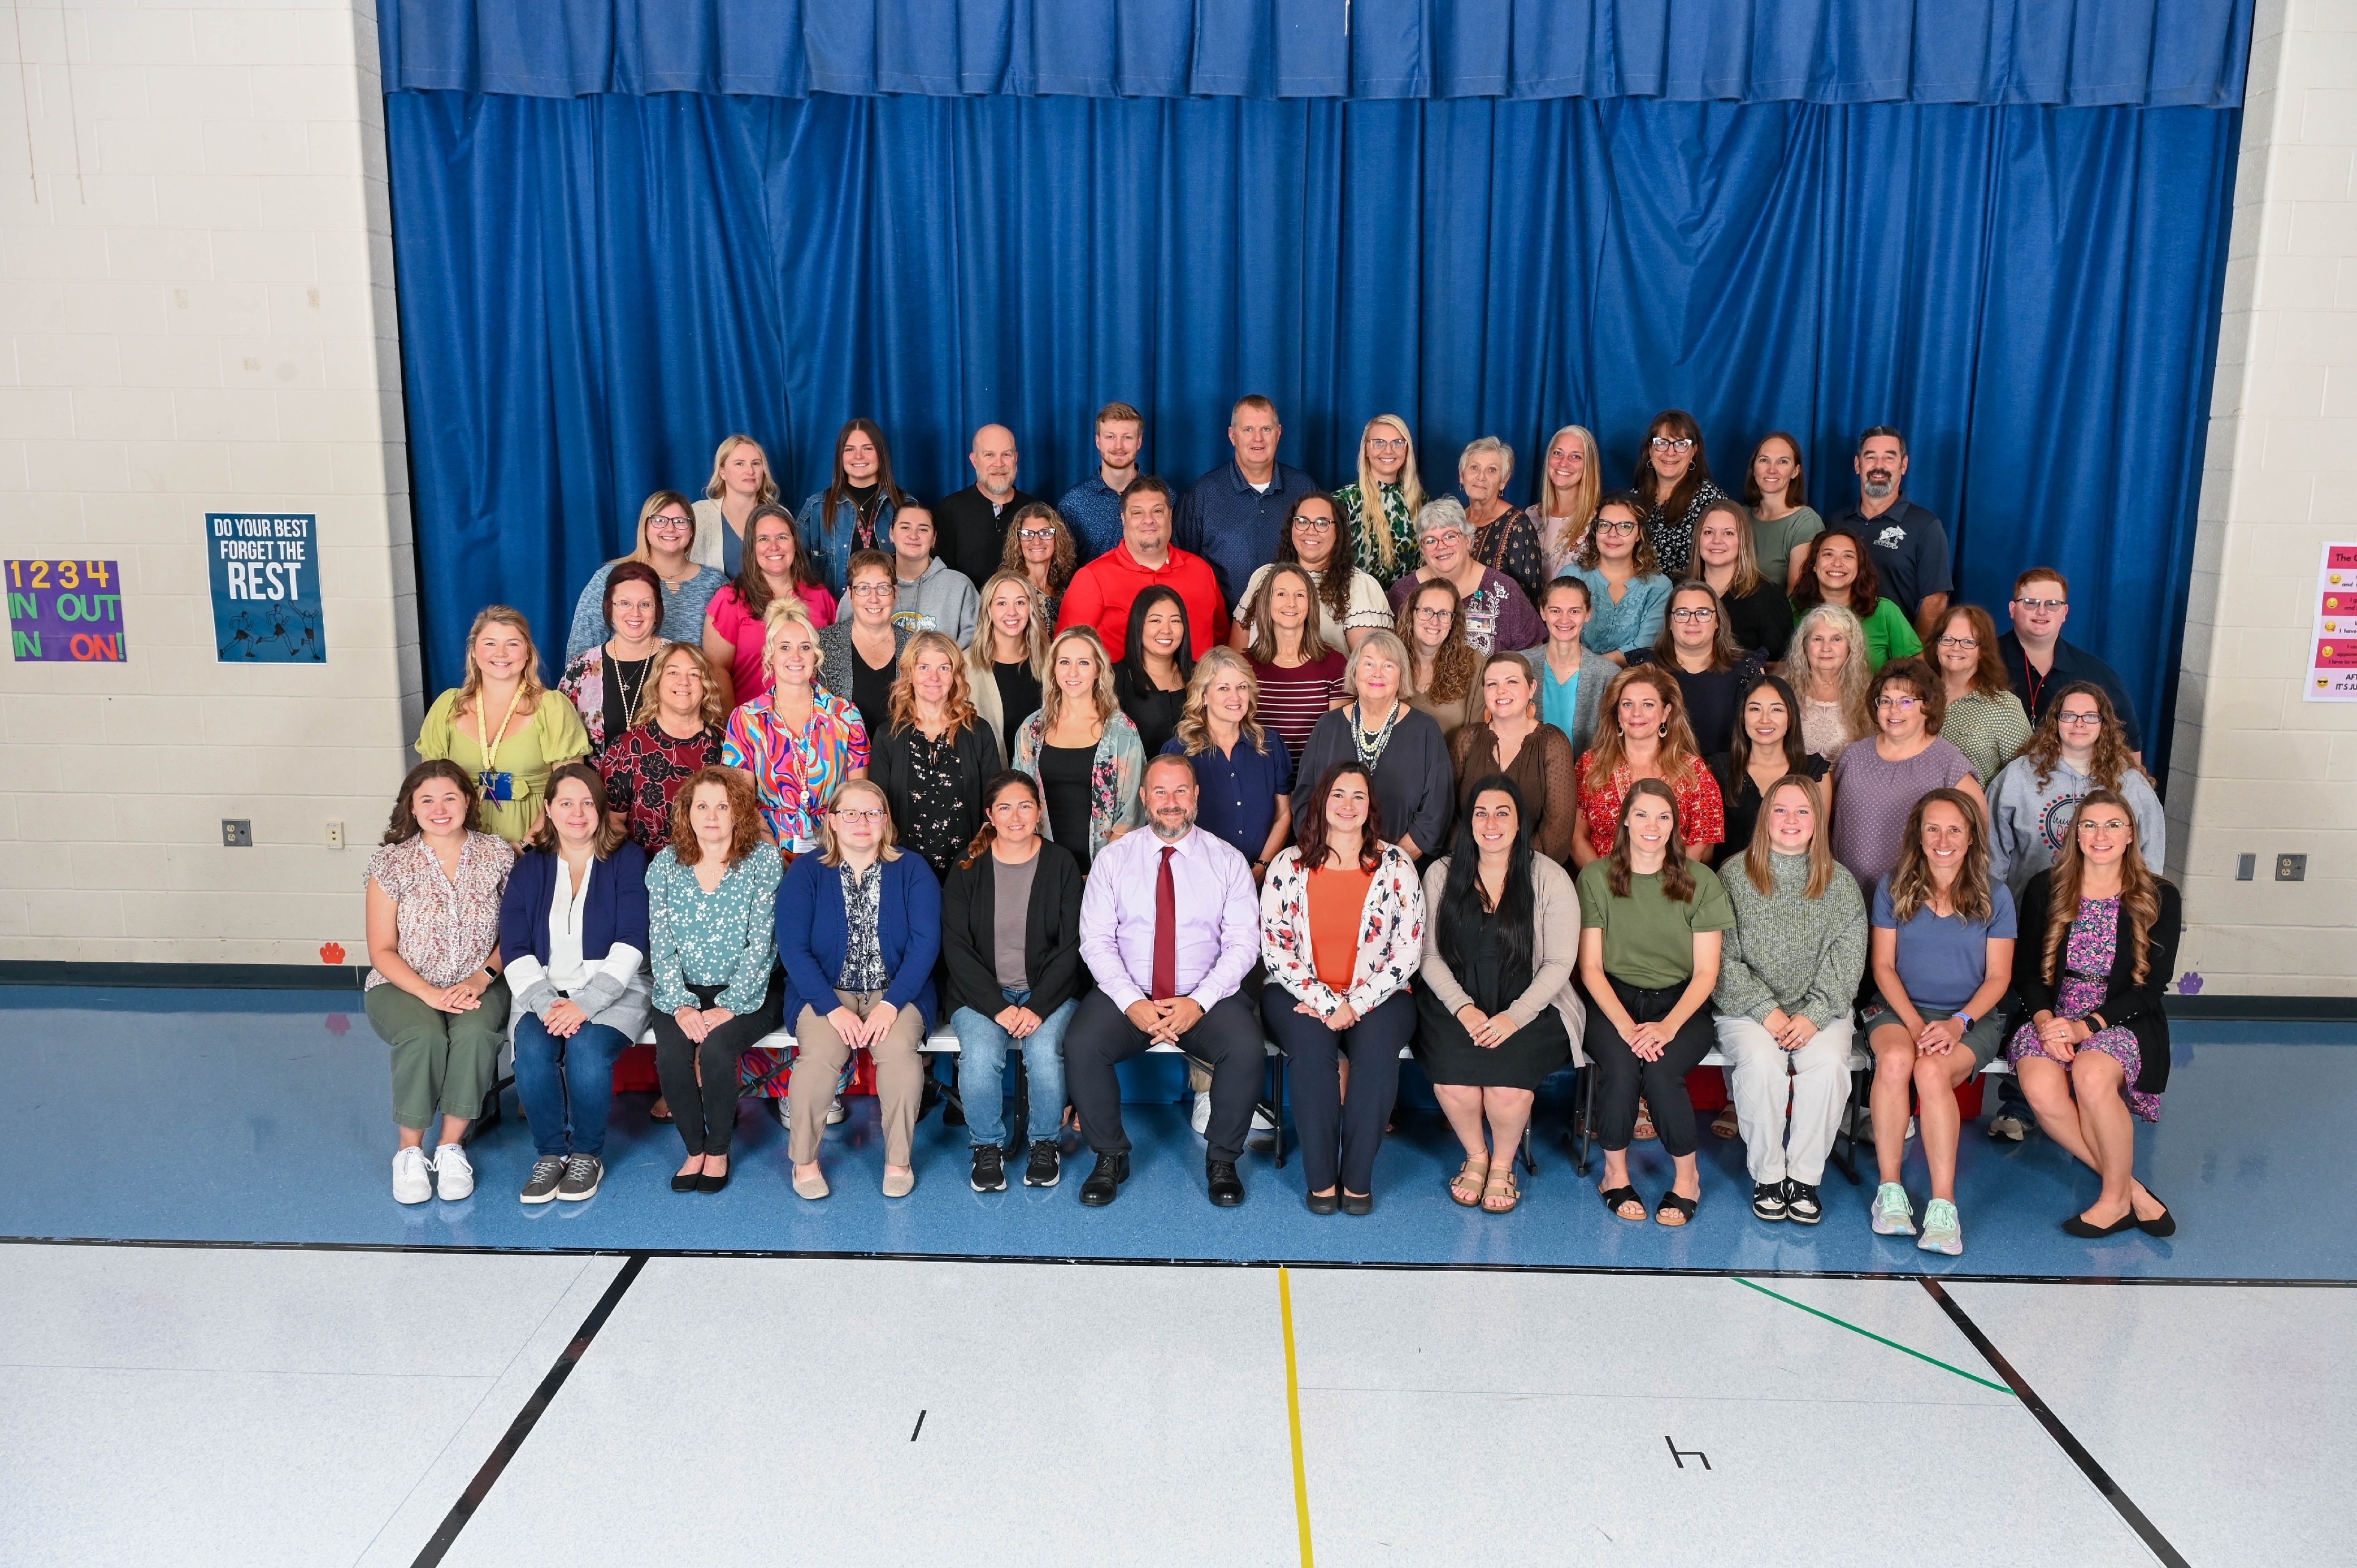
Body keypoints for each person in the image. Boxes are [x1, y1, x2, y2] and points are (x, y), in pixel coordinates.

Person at [1068, 754, 1268, 1207]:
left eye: (1181, 791)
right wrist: (1130, 1001)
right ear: (1144, 797)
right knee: (1082, 1044)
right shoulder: (1114, 859)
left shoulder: (1227, 860)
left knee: (1245, 1049)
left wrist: (1199, 1001)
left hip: (1205, 995)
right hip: (1130, 991)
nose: (1171, 801)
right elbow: (1095, 941)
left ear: (1196, 796)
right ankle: (1110, 1156)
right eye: (1160, 791)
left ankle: (1223, 1160)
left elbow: (1243, 944)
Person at [2008, 789, 2183, 1238]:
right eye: (2089, 825)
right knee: (2040, 1088)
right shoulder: (2046, 888)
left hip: (2121, 1016)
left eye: (2112, 825)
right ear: (2075, 833)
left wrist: (2086, 1027)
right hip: (2052, 1012)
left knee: (2090, 1075)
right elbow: (2026, 971)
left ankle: (2112, 1201)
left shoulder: (2160, 895)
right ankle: (2133, 1192)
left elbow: (2151, 988)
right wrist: (2047, 1023)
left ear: (2130, 835)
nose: (2100, 835)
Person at [1260, 762, 1425, 1214]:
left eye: (1358, 796)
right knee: (1312, 1055)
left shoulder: (1396, 865)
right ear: (1321, 802)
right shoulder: (1287, 864)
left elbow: (1407, 952)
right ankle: (1320, 1182)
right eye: (1338, 794)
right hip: (1297, 995)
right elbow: (1275, 949)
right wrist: (1325, 1001)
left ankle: (1357, 1180)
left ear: (1371, 806)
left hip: (1381, 996)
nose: (1347, 805)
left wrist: (1353, 1004)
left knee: (1375, 1057)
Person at [1414, 776, 1583, 1215]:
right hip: (1456, 1000)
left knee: (1507, 1091)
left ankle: (1503, 1165)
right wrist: (1463, 1008)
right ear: (1468, 821)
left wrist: (1513, 1017)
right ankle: (1476, 1156)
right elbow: (1427, 955)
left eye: (1502, 813)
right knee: (1454, 1083)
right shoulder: (1441, 873)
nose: (1491, 823)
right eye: (1481, 813)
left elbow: (1558, 963)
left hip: (1532, 1004)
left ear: (1519, 821)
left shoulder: (1550, 877)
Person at [1861, 788, 2016, 1253]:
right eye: (1933, 828)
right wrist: (1913, 1025)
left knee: (1930, 1071)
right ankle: (1889, 1192)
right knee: (1895, 1061)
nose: (1942, 840)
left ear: (1970, 837)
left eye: (1954, 830)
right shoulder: (1893, 886)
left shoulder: (1996, 895)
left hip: (1970, 1016)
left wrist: (1958, 1022)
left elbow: (1999, 977)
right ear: (1918, 834)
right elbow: (1882, 966)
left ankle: (1943, 1206)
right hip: (1899, 1008)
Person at [774, 778, 941, 1200]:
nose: (861, 821)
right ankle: (804, 1161)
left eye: (872, 812)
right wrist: (831, 1007)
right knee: (820, 1055)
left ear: (886, 821)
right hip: (825, 992)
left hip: (898, 989)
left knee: (900, 1054)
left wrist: (892, 1004)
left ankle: (898, 1161)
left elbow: (925, 944)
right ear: (832, 820)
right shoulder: (807, 871)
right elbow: (792, 947)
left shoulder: (912, 869)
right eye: (850, 813)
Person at [1712, 775, 1865, 1225]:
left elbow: (1847, 962)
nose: (1791, 820)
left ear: (1818, 820)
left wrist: (1814, 1014)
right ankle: (1768, 1176)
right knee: (1763, 1065)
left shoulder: (1840, 883)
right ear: (1765, 818)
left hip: (1821, 1010)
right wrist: (1767, 1011)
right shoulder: (1733, 875)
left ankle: (1803, 1178)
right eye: (1780, 809)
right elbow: (1721, 960)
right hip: (1748, 1009)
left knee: (1829, 1066)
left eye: (1803, 811)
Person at [1581, 778, 1733, 1225]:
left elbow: (1706, 973)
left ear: (1674, 824)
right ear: (1625, 820)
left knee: (1663, 1072)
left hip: (1680, 1004)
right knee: (1622, 1068)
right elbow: (1590, 968)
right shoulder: (1596, 877)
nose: (1653, 825)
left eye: (1663, 816)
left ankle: (1687, 1178)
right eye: (1643, 814)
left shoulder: (1701, 881)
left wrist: (1667, 1027)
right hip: (1613, 1000)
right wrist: (1626, 1027)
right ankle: (1614, 1174)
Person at [498, 762, 651, 1204]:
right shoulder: (529, 869)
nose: (577, 813)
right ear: (548, 809)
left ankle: (586, 1154)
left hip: (617, 990)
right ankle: (550, 1155)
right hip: (543, 993)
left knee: (586, 1050)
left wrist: (586, 1003)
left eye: (587, 803)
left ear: (600, 809)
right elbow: (515, 945)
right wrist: (547, 1003)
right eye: (566, 803)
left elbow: (633, 938)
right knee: (531, 1051)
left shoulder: (627, 860)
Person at [364, 761, 514, 1205]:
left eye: (450, 797)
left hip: (481, 981)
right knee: (424, 1035)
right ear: (411, 807)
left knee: (474, 1034)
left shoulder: (497, 855)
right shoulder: (392, 862)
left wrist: (482, 977)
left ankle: (450, 1147)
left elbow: (517, 933)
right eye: (426, 800)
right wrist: (429, 994)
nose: (440, 808)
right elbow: (381, 950)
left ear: (468, 800)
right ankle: (410, 1152)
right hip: (402, 985)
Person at [942, 772, 1086, 1192]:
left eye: (1025, 806)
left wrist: (1037, 1005)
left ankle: (1045, 1144)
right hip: (980, 996)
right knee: (980, 1057)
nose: (1016, 816)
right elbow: (955, 946)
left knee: (1044, 1055)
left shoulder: (1061, 863)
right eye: (1004, 807)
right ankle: (986, 1147)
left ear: (1039, 811)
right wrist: (998, 1006)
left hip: (1048, 994)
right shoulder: (967, 866)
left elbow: (1071, 946)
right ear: (990, 815)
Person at [645, 767, 786, 1195]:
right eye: (702, 806)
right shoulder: (666, 864)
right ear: (687, 813)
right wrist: (681, 1004)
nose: (711, 815)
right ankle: (695, 1149)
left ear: (738, 812)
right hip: (682, 991)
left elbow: (763, 942)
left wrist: (730, 1004)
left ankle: (719, 1149)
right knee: (672, 1055)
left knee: (717, 1049)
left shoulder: (763, 861)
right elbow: (660, 942)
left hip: (752, 991)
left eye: (722, 806)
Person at [417, 606, 591, 845]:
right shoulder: (447, 706)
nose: (501, 653)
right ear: (474, 652)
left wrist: (525, 847)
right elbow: (429, 789)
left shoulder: (552, 707)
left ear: (528, 652)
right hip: (461, 846)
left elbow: (569, 792)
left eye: (512, 644)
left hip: (537, 842)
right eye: (490, 643)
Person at [1989, 682, 2166, 898]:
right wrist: (1997, 906)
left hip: (2108, 911)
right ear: (2055, 721)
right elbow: (1992, 850)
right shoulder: (2019, 775)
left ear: (2104, 723)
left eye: (2090, 716)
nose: (2079, 724)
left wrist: (2141, 905)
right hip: (2029, 909)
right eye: (2069, 716)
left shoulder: (2131, 783)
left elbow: (2151, 858)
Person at [1293, 631, 1455, 863]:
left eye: (1388, 665)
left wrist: (1391, 863)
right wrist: (1335, 857)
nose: (1377, 673)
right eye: (1369, 663)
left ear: (1402, 674)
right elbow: (1304, 800)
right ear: (1354, 671)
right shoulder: (1328, 726)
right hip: (1329, 861)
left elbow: (1437, 809)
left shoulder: (1425, 730)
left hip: (1400, 866)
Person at [723, 601, 871, 855]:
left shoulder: (846, 715)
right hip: (765, 847)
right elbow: (741, 801)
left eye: (805, 647)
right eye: (785, 647)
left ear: (815, 655)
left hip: (835, 847)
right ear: (770, 656)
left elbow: (857, 798)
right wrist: (773, 854)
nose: (796, 657)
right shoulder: (746, 719)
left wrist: (834, 852)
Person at [1829, 659, 1985, 893]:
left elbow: (1979, 839)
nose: (1894, 710)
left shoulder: (1950, 765)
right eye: (1886, 701)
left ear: (1928, 706)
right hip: (1845, 893)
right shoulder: (1853, 755)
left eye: (1906, 701)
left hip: (1913, 898)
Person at [868, 630, 1006, 881]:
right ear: (910, 674)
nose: (934, 677)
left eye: (944, 668)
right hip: (904, 874)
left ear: (955, 675)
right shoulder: (887, 737)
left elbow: (995, 807)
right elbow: (877, 813)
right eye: (924, 668)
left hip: (968, 872)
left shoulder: (978, 732)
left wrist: (977, 864)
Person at [1009, 626, 1146, 872]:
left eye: (1083, 663)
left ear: (1098, 669)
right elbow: (1018, 800)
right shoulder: (1032, 730)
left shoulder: (1122, 731)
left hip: (1105, 869)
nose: (1073, 672)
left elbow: (1132, 813)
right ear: (1053, 669)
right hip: (1042, 868)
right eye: (1064, 662)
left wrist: (1100, 874)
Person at [1058, 475, 1229, 661]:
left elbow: (1221, 644)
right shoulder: (1092, 578)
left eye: (1157, 511)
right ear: (1123, 519)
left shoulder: (1201, 571)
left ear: (1170, 516)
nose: (1149, 520)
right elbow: (1066, 653)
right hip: (1119, 680)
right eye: (1137, 513)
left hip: (1197, 680)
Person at [1571, 665, 1724, 868]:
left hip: (1673, 882)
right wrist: (1603, 881)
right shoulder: (1590, 764)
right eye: (1627, 704)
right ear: (1617, 713)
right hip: (1602, 881)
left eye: (1648, 705)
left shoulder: (1694, 771)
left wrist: (1664, 883)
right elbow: (1576, 838)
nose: (1637, 713)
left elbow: (1702, 841)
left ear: (1665, 713)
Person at [1176, 394, 1319, 604]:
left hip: (1292, 619)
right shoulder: (1203, 494)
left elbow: (1324, 556)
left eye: (1266, 429)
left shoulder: (1304, 489)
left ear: (1278, 433)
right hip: (1223, 622)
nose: (1258, 439)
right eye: (1248, 430)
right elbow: (1180, 565)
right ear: (1233, 436)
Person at [1163, 647, 1292, 876]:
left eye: (1242, 687)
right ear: (1203, 696)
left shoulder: (1271, 744)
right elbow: (1169, 822)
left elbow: (1283, 815)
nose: (1236, 697)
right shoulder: (1179, 752)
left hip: (1263, 877)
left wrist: (1261, 867)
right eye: (1224, 688)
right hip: (1200, 877)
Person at [1999, 567, 2146, 761]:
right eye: (2030, 603)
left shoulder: (2097, 674)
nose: (2041, 611)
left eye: (2052, 604)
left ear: (2065, 612)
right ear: (2012, 609)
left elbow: (2130, 749)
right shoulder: (1980, 661)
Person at [702, 503, 837, 712]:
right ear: (751, 548)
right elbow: (717, 670)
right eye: (763, 539)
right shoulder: (730, 600)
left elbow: (837, 659)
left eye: (782, 537)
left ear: (795, 543)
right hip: (752, 723)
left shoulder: (820, 595)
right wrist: (733, 724)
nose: (774, 547)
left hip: (814, 721)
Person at [600, 642, 729, 856]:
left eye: (694, 674)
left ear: (706, 686)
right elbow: (612, 822)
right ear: (657, 682)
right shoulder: (627, 747)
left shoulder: (726, 744)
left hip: (716, 869)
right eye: (673, 672)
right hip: (645, 870)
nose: (684, 682)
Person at [564, 490, 727, 661]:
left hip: (693, 678)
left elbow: (724, 662)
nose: (670, 529)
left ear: (692, 530)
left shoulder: (716, 584)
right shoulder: (610, 577)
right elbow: (580, 652)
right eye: (659, 520)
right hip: (619, 678)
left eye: (680, 521)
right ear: (645, 527)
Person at [1450, 652, 1578, 863]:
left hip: (1533, 868)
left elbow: (1558, 830)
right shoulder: (1466, 739)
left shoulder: (1553, 743)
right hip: (1468, 864)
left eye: (1512, 682)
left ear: (1532, 688)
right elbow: (1448, 814)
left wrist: (1513, 869)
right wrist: (1477, 864)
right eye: (1492, 684)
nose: (1501, 690)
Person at [1825, 426, 1950, 638]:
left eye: (1889, 458)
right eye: (1871, 457)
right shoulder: (1836, 522)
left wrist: (1915, 652)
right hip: (1835, 645)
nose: (1879, 466)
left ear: (1904, 465)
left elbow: (1936, 599)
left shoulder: (1926, 525)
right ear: (1858, 464)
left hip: (1894, 652)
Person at [1230, 491, 1390, 656]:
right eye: (1302, 521)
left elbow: (1368, 664)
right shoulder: (1262, 577)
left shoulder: (1359, 587)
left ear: (1338, 532)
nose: (1311, 531)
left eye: (1322, 523)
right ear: (1292, 528)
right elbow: (1236, 659)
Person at [1384, 498, 1542, 655]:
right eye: (1431, 540)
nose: (1441, 546)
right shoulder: (1402, 593)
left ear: (1468, 540)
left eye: (1450, 536)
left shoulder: (1505, 591)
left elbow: (1534, 655)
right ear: (1422, 548)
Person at [1708, 672, 1831, 871]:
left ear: (1790, 718)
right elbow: (1707, 850)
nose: (1765, 719)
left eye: (1776, 710)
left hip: (1797, 883)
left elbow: (1819, 845)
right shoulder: (1719, 770)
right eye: (1755, 709)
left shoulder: (1814, 772)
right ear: (1743, 717)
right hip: (1728, 881)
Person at [1628, 580, 1760, 756]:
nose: (1692, 621)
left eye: (1703, 613)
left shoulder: (1745, 670)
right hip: (1658, 770)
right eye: (1682, 613)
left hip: (1726, 770)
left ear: (1717, 621)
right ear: (1670, 622)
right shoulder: (1644, 666)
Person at [1244, 561, 1348, 765]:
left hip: (1317, 778)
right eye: (1281, 594)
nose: (1291, 603)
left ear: (1310, 604)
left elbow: (1338, 741)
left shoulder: (1335, 665)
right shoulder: (1245, 667)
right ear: (1267, 602)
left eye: (1300, 595)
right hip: (1262, 778)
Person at [556, 560, 666, 754]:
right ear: (610, 609)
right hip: (594, 775)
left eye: (645, 604)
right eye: (625, 603)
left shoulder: (683, 662)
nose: (635, 613)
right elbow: (562, 743)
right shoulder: (580, 669)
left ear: (656, 611)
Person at [799, 417, 910, 595]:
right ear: (840, 457)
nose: (859, 456)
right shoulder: (817, 508)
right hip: (835, 611)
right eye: (850, 449)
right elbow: (796, 572)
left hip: (894, 610)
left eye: (868, 448)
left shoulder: (906, 506)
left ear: (881, 454)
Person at [815, 550, 914, 741]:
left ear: (895, 592)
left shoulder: (915, 646)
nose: (874, 598)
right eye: (864, 588)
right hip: (840, 756)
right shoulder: (821, 644)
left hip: (903, 756)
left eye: (883, 588)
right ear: (850, 594)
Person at [1931, 604, 2032, 787]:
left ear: (1983, 652)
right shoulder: (1915, 697)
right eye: (1948, 639)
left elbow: (2025, 776)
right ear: (1936, 645)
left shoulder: (2004, 706)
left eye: (1968, 642)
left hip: (1975, 804)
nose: (1956, 648)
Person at [1791, 528, 1921, 670]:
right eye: (1828, 554)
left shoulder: (1885, 611)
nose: (1837, 563)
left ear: (1859, 566)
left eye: (1848, 556)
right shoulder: (1793, 609)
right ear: (1815, 565)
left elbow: (1916, 668)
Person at [1568, 491, 1671, 666]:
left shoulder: (1659, 586)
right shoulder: (1572, 576)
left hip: (1633, 678)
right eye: (1604, 525)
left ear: (1639, 534)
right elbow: (1561, 638)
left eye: (1625, 526)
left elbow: (1643, 649)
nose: (1612, 534)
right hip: (1571, 674)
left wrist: (1591, 668)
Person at [1519, 577, 1618, 756]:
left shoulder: (1608, 674)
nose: (1564, 620)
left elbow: (1612, 741)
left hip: (1588, 771)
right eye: (1556, 610)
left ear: (1588, 614)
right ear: (1543, 612)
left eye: (1574, 611)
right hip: (1527, 770)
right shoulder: (1519, 666)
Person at [936, 423, 1042, 588]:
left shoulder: (1037, 511)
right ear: (974, 461)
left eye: (1006, 454)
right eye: (990, 455)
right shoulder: (949, 511)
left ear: (1016, 459)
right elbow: (942, 580)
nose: (999, 464)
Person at [1631, 410, 1728, 579]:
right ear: (1650, 449)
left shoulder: (1711, 500)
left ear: (1694, 452)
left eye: (1681, 444)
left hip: (1689, 593)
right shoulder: (1633, 500)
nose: (1670, 452)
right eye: (1662, 443)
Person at [1333, 413, 1427, 589]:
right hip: (1360, 604)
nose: (1388, 451)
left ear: (1407, 449)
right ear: (1366, 450)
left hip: (1411, 603)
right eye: (1379, 443)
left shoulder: (1421, 500)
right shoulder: (1343, 502)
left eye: (1397, 443)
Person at [1693, 498, 1793, 660]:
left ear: (1743, 541)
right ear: (1698, 538)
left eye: (1728, 533)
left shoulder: (1769, 596)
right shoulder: (1680, 589)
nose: (1717, 540)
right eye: (1709, 532)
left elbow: (1780, 664)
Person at [1780, 603, 1873, 763]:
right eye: (1818, 639)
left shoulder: (1869, 694)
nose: (1826, 648)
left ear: (1851, 647)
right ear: (1804, 645)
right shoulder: (1781, 690)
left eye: (1837, 639)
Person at [1055, 401, 1145, 562]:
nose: (1119, 446)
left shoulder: (1163, 497)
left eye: (1127, 437)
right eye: (1110, 437)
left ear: (1139, 442)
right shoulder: (1073, 504)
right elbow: (1064, 567)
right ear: (1098, 442)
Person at [967, 568, 1049, 745]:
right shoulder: (965, 664)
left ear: (1031, 607)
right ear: (988, 609)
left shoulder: (1052, 660)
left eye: (1020, 602)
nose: (1012, 612)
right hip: (987, 763)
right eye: (1002, 603)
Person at [1113, 585, 1194, 758]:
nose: (1166, 630)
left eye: (1175, 621)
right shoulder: (1115, 680)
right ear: (1138, 625)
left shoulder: (1201, 675)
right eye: (1156, 621)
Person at [1398, 579, 1482, 742]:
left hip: (1452, 759)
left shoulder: (1475, 664)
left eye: (1444, 613)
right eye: (1427, 611)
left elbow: (1478, 738)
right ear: (1412, 614)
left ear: (1453, 622)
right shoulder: (1389, 659)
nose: (1434, 621)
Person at [1461, 436, 1544, 602]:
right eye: (1474, 468)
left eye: (1492, 470)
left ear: (1504, 481)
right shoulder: (1455, 520)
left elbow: (1530, 597)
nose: (1481, 477)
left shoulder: (1518, 525)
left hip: (1501, 617)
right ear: (1462, 476)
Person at [689, 432, 783, 578]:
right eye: (740, 463)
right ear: (722, 472)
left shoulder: (780, 516)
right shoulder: (699, 514)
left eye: (756, 463)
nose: (750, 471)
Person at [884, 504, 979, 645]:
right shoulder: (870, 585)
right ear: (891, 533)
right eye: (905, 527)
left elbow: (976, 640)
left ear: (934, 538)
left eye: (923, 529)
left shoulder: (959, 586)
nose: (913, 536)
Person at [1741, 431, 1823, 592]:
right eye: (1764, 460)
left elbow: (1796, 597)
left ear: (1795, 471)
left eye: (1783, 462)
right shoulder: (1739, 517)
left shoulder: (1805, 522)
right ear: (1754, 468)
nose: (1772, 470)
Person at [1526, 425, 1602, 585]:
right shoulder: (1530, 516)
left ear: (1589, 465)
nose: (1563, 463)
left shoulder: (1600, 521)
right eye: (1558, 453)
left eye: (1576, 456)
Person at [999, 501, 1077, 626]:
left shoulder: (1064, 593)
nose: (1037, 541)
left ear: (1058, 538)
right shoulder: (1011, 589)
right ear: (1018, 541)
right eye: (1027, 534)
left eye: (1045, 533)